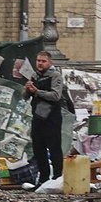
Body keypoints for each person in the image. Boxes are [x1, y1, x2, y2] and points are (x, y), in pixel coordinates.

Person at [23, 50, 67, 183]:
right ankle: (43, 178)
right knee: (39, 149)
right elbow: (25, 97)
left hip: (52, 118)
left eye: (43, 61)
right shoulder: (35, 76)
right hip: (38, 117)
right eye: (38, 61)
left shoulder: (55, 76)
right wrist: (27, 89)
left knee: (54, 149)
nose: (40, 64)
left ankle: (57, 178)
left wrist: (37, 91)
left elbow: (55, 96)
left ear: (50, 62)